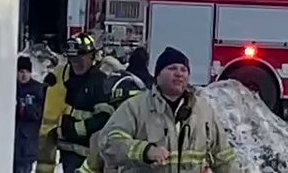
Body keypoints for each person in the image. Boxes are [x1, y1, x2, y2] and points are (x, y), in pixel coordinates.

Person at [101, 47, 238, 172]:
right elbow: (108, 142)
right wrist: (145, 151)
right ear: (158, 75)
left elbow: (224, 157)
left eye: (184, 70)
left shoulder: (203, 112)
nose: (179, 73)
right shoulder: (135, 107)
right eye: (172, 68)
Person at [37, 33, 114, 173]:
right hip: (65, 151)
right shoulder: (60, 75)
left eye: (80, 57)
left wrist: (75, 129)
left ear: (92, 56)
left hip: (90, 155)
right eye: (72, 58)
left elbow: (105, 117)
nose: (75, 62)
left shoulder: (100, 81)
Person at [15, 55, 46, 173]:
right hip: (13, 141)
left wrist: (25, 109)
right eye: (21, 71)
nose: (23, 75)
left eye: (26, 71)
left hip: (29, 142)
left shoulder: (38, 89)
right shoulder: (11, 87)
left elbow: (41, 112)